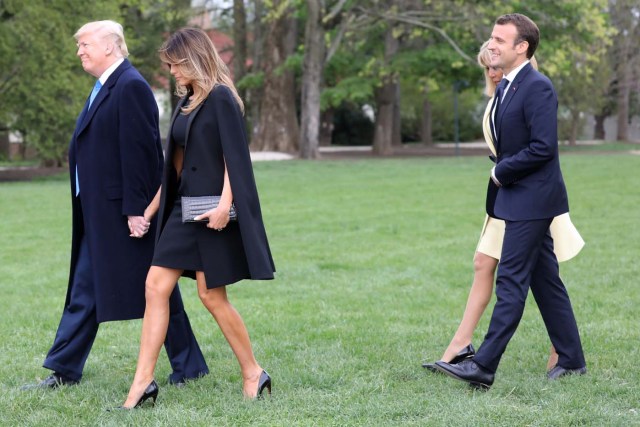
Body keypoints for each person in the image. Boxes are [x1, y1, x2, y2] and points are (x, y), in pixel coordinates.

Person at [22, 20, 208, 390]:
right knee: (105, 286)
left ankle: (67, 369)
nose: (80, 51)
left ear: (110, 46)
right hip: (100, 210)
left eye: (85, 44)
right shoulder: (107, 86)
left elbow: (141, 153)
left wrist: (137, 210)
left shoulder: (131, 86)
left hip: (123, 213)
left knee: (152, 287)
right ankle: (67, 368)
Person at [118, 28, 275, 409]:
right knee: (156, 286)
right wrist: (150, 210)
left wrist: (225, 206)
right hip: (180, 211)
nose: (170, 70)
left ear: (192, 58)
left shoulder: (221, 98)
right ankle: (142, 384)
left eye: (174, 63)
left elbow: (233, 158)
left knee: (211, 296)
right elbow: (176, 168)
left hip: (211, 213)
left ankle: (253, 372)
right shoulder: (187, 101)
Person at [435, 13, 586, 389]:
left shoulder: (538, 87)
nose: (493, 44)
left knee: (511, 282)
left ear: (523, 48)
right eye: (492, 37)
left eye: (501, 40)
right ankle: (572, 360)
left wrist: (501, 172)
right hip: (516, 199)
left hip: (533, 201)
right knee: (545, 281)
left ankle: (483, 365)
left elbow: (543, 148)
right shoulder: (507, 87)